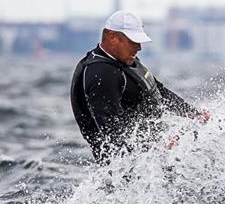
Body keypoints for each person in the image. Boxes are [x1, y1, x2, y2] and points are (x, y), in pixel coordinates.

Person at [70, 10, 209, 163]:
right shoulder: (101, 74)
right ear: (112, 37)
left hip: (154, 156)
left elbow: (159, 92)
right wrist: (154, 147)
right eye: (133, 41)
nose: (139, 47)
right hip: (129, 169)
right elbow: (110, 130)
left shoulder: (124, 60)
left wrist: (194, 114)